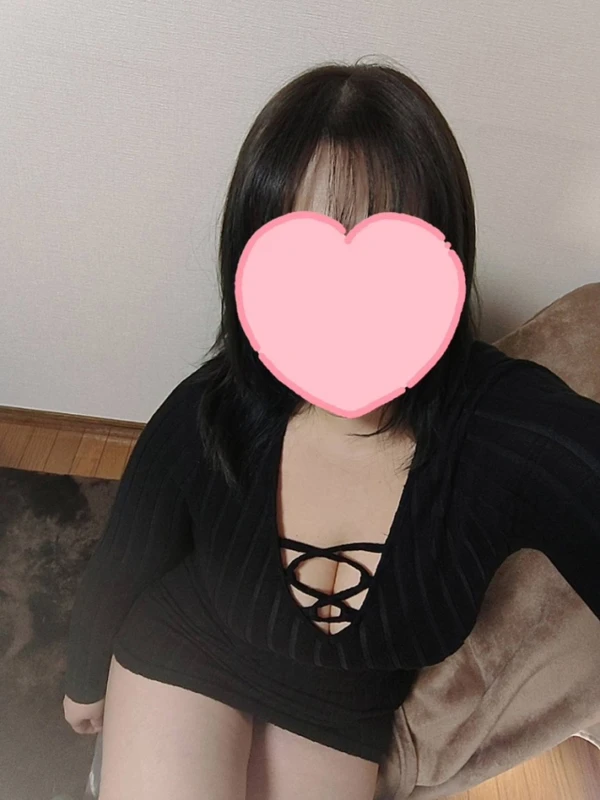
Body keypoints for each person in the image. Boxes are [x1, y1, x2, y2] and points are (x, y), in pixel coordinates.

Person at [62, 60, 600, 800]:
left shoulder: (504, 428)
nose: (349, 312)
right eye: (304, 264)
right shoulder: (212, 408)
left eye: (390, 259)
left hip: (340, 712)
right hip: (190, 646)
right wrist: (84, 677)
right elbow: (133, 541)